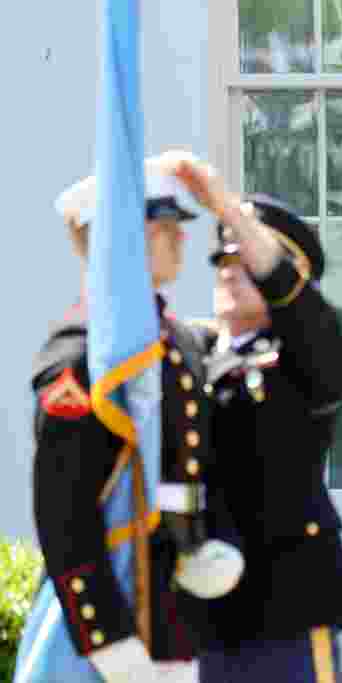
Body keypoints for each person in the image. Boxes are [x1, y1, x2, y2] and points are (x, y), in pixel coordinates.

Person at [17, 154, 243, 683]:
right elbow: (64, 513)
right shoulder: (81, 357)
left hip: (172, 612)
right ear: (120, 240)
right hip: (103, 627)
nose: (181, 239)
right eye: (164, 227)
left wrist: (202, 545)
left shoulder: (177, 341)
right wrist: (109, 641)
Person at [170, 157, 342, 681]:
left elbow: (301, 312)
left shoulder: (310, 357)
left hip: (286, 601)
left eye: (247, 260)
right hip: (200, 596)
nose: (230, 267)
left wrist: (224, 206)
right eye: (221, 259)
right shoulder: (189, 355)